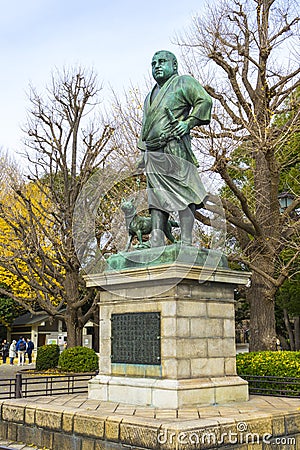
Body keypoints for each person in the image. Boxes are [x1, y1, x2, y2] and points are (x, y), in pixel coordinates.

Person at [137, 50, 212, 247]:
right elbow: (145, 126)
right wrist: (142, 152)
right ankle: (155, 239)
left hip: (174, 146)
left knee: (183, 191)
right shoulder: (149, 96)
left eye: (162, 62)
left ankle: (186, 239)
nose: (157, 66)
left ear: (174, 65)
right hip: (153, 152)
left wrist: (188, 123)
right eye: (153, 64)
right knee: (156, 195)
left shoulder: (183, 82)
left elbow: (205, 101)